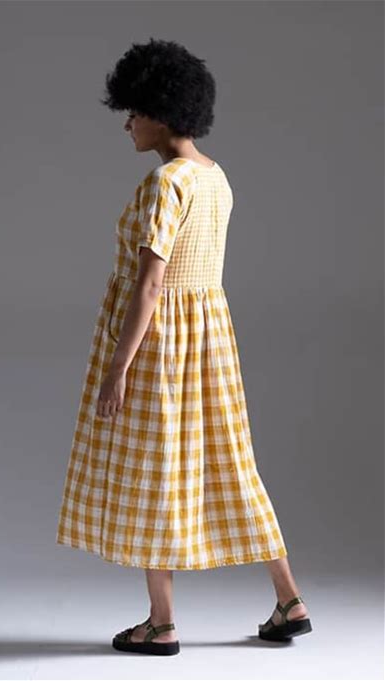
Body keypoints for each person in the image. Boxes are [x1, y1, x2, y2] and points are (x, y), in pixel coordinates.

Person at [56, 37, 312, 656]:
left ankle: (161, 623)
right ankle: (290, 599)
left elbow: (151, 284)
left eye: (134, 113)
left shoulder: (164, 183)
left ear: (162, 111)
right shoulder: (215, 177)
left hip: (161, 346)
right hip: (210, 341)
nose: (127, 125)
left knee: (156, 470)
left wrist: (118, 368)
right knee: (233, 464)